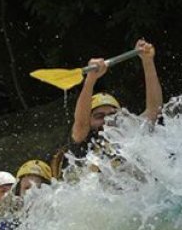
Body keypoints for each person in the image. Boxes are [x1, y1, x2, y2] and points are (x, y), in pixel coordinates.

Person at [63, 38, 163, 172]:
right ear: (89, 120)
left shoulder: (129, 133)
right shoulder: (84, 141)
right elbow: (81, 123)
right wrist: (91, 79)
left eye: (112, 114)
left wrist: (148, 61)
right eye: (99, 116)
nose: (107, 120)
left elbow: (154, 109)